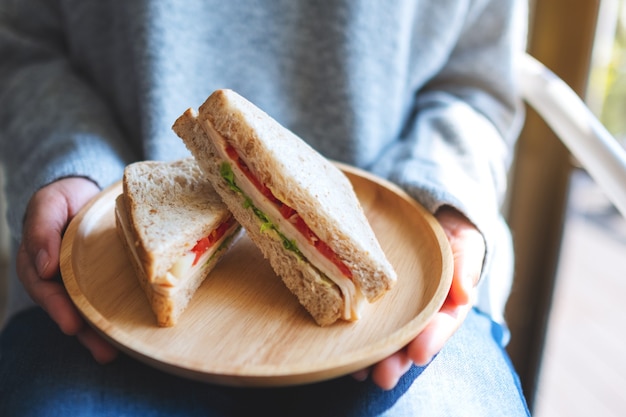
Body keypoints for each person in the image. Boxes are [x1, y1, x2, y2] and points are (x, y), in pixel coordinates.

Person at [0, 0, 530, 415]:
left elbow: (474, 88)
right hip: (102, 278)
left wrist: (450, 194)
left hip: (411, 276)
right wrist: (71, 164)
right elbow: (26, 49)